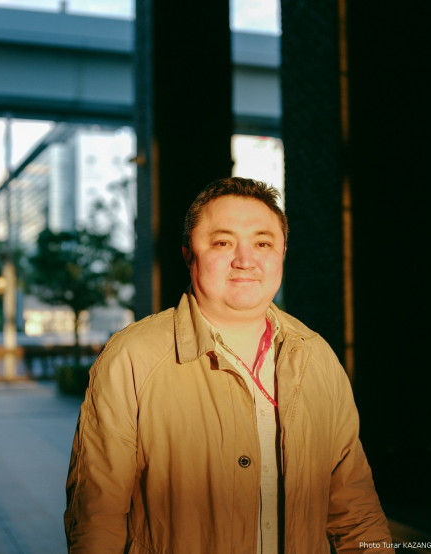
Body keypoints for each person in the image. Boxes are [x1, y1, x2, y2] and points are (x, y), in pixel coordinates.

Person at [64, 177, 393, 553]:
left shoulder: (316, 356)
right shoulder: (133, 357)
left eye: (263, 243)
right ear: (189, 254)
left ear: (283, 252)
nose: (245, 260)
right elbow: (96, 517)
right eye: (222, 243)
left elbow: (355, 509)